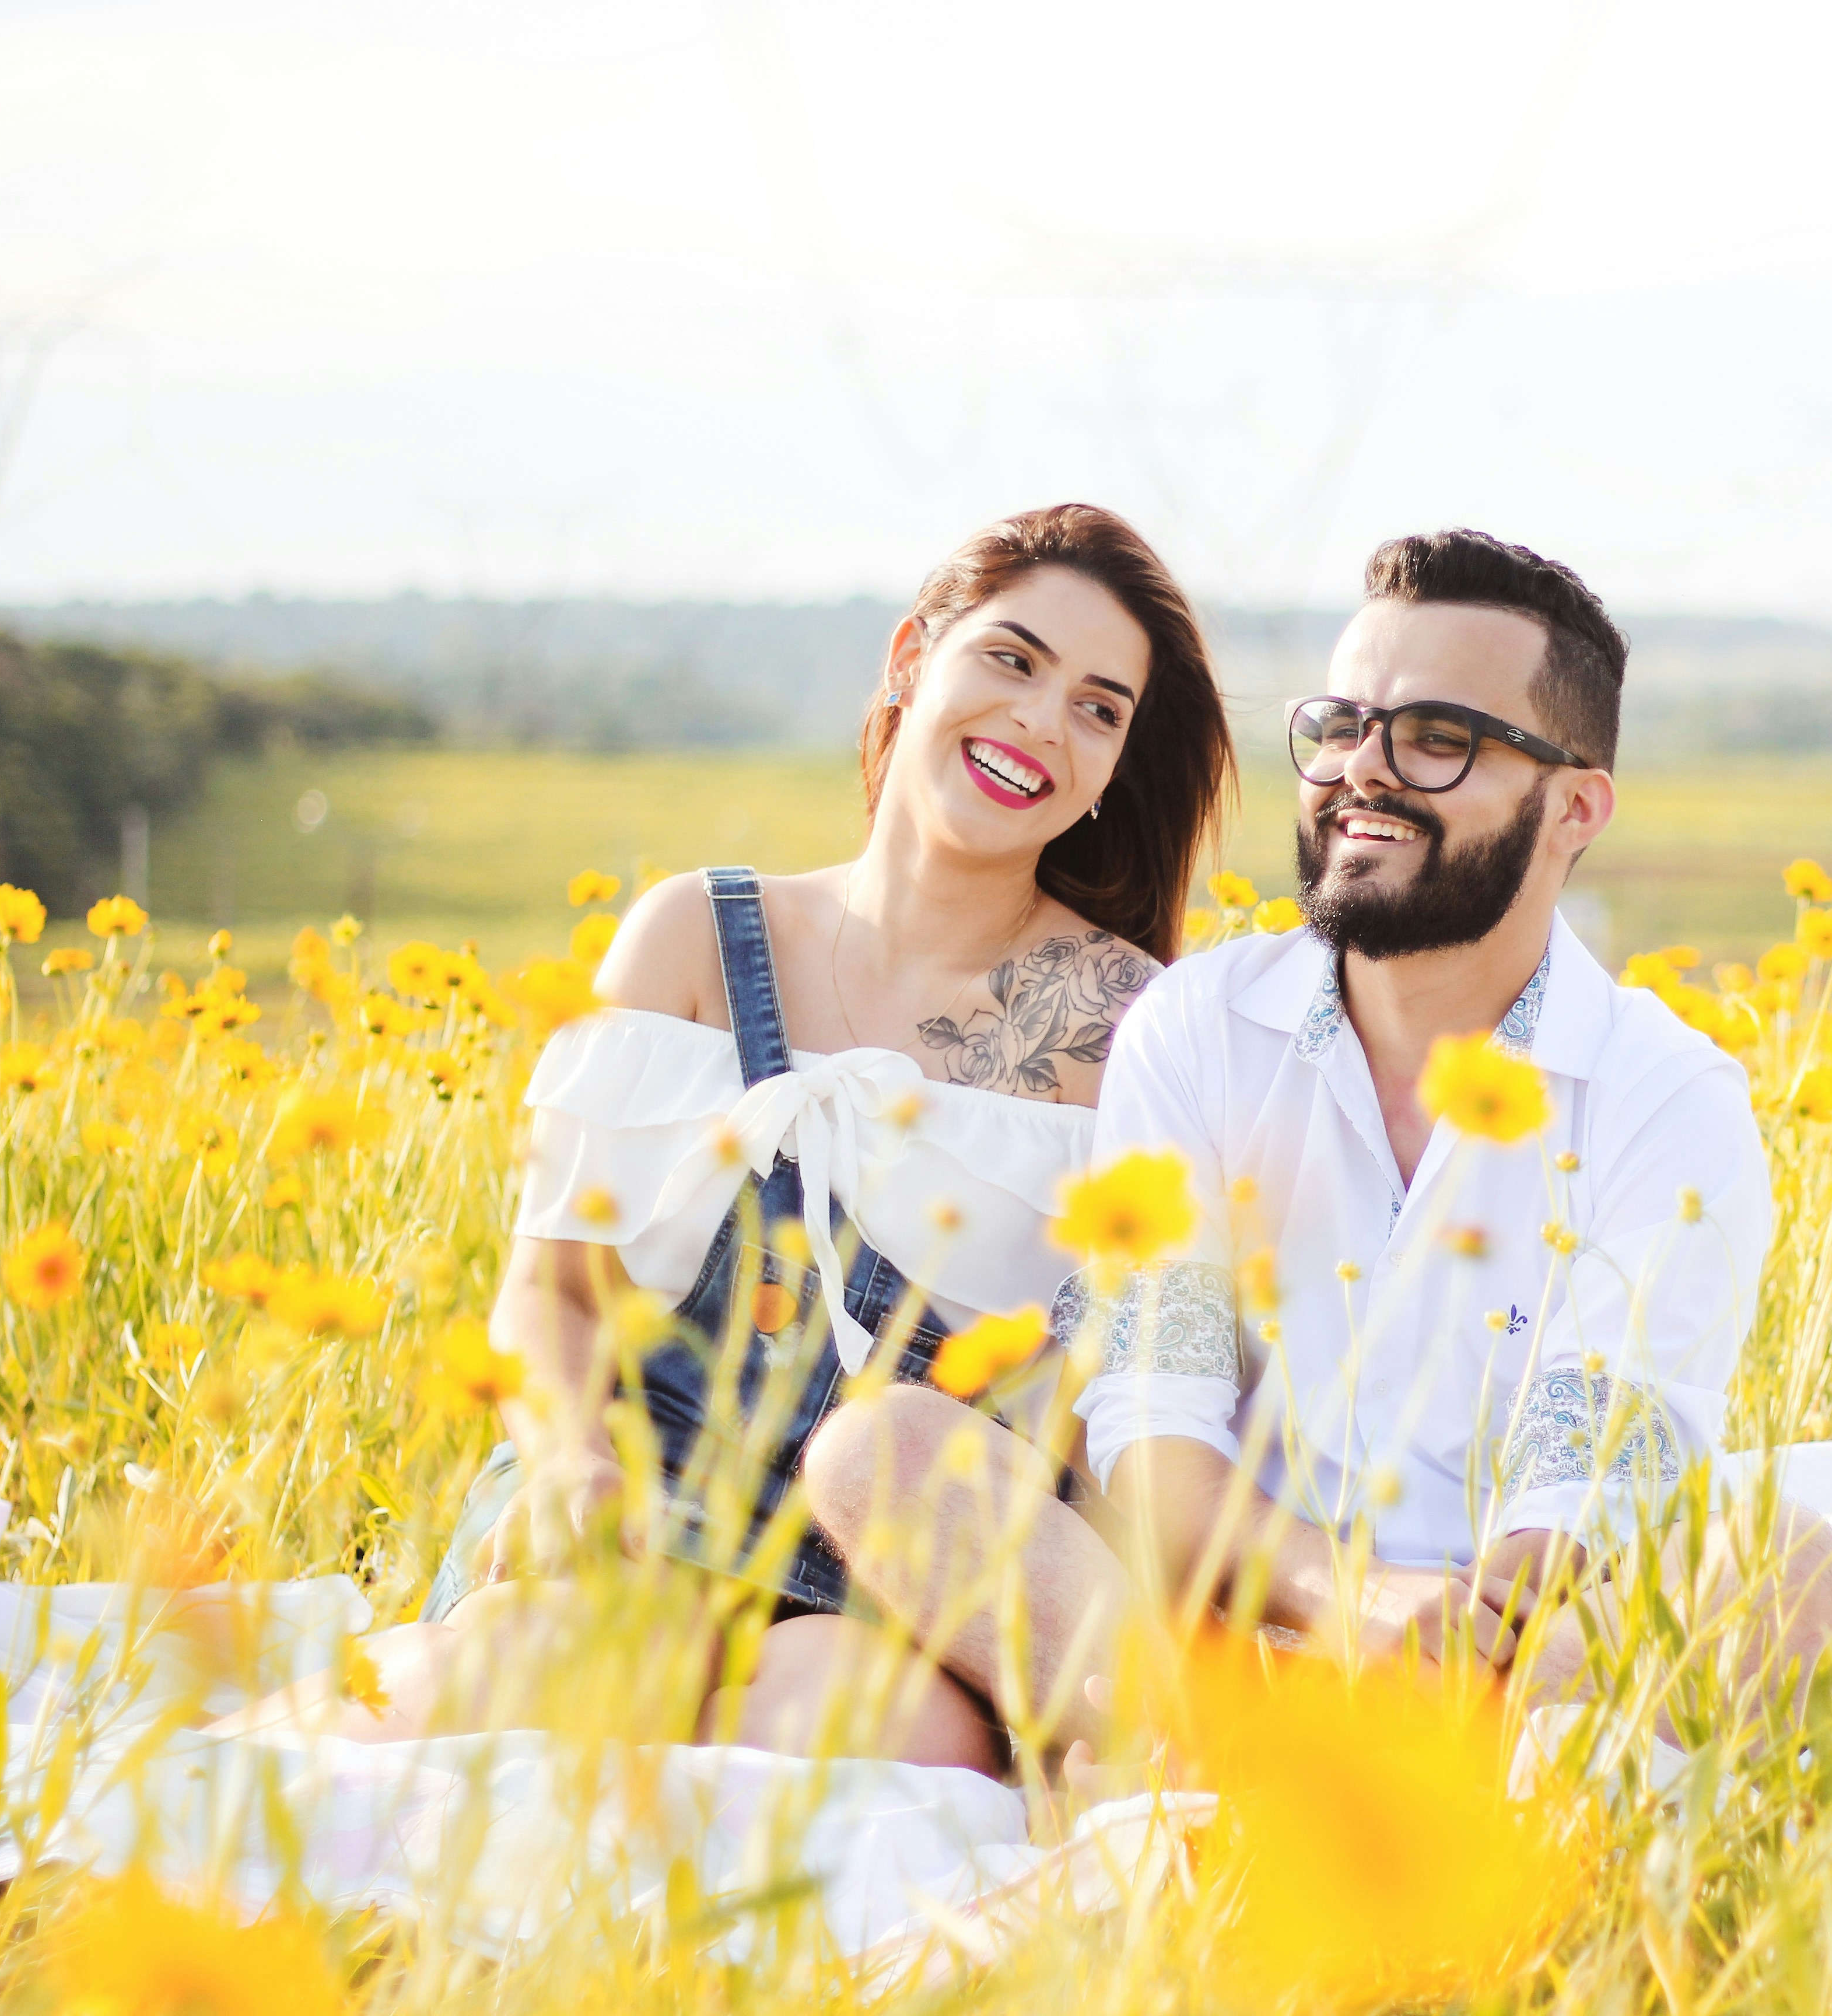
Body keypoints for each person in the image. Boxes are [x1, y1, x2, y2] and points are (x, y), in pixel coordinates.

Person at [215, 503, 1232, 1770]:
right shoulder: (696, 935)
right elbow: (553, 1294)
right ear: (913, 658)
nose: (1040, 721)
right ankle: (120, 1827)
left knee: (847, 1738)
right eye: (1012, 660)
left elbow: (1113, 1399)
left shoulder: (1131, 1028)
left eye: (1099, 708)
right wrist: (569, 1461)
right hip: (637, 1488)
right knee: (569, 1669)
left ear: (1115, 769)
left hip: (898, 1563)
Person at [801, 528, 1832, 1742]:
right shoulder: (1195, 1032)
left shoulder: (1664, 1095)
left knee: (1788, 1562)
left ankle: (1428, 1795)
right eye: (1344, 727)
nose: (1365, 770)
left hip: (1518, 1655)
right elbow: (1155, 1429)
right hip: (1234, 1635)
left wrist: (1453, 1644)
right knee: (880, 1453)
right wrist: (1343, 1601)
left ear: (1575, 807)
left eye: (1438, 739)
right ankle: (1241, 1766)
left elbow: (1600, 1471)